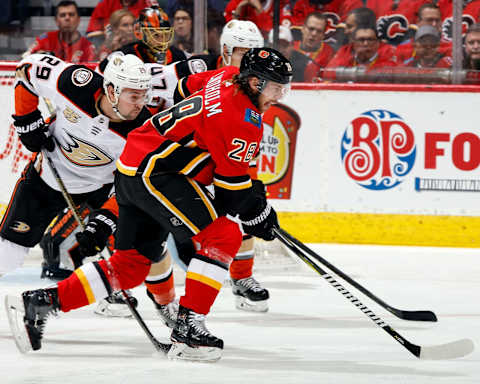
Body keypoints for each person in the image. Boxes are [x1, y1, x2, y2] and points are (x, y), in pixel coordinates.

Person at [7, 47, 293, 362]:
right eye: (276, 87)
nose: (280, 95)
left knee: (129, 267)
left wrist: (253, 199)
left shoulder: (224, 77)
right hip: (155, 174)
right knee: (224, 235)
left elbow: (185, 89)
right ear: (253, 83)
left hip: (134, 168)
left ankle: (42, 301)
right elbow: (230, 196)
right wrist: (259, 214)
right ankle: (188, 327)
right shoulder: (242, 121)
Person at [0, 53, 151, 303]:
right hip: (46, 178)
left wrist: (105, 220)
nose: (140, 104)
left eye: (143, 95)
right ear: (112, 91)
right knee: (9, 253)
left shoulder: (142, 130)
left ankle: (128, 296)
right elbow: (28, 68)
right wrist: (26, 120)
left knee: (135, 239)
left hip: (100, 187)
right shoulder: (75, 83)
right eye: (134, 96)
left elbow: (130, 185)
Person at [98, 6, 187, 72]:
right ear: (142, 34)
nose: (162, 41)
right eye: (156, 35)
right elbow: (101, 71)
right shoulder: (126, 54)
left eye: (166, 35)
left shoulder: (178, 55)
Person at [23, 1, 96, 63]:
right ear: (56, 20)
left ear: (78, 19)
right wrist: (37, 57)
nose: (67, 18)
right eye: (62, 15)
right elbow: (25, 58)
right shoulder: (45, 39)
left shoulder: (88, 47)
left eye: (71, 15)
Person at [326, 24, 397, 69]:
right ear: (353, 43)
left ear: (378, 43)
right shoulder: (343, 62)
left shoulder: (388, 67)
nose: (365, 43)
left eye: (370, 40)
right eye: (361, 40)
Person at [86, 0, 157, 44]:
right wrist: (108, 35)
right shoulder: (106, 3)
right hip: (109, 47)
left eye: (132, 25)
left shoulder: (149, 5)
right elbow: (91, 36)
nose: (130, 29)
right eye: (126, 25)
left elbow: (158, 35)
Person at [292, 13, 334, 80]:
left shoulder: (329, 54)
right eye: (311, 29)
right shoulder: (290, 48)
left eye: (319, 31)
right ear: (303, 29)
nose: (314, 34)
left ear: (323, 35)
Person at [224, 0, 292, 35]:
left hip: (268, 46)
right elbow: (229, 31)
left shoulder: (281, 3)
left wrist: (260, 10)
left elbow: (280, 33)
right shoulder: (237, 2)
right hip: (242, 42)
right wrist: (239, 9)